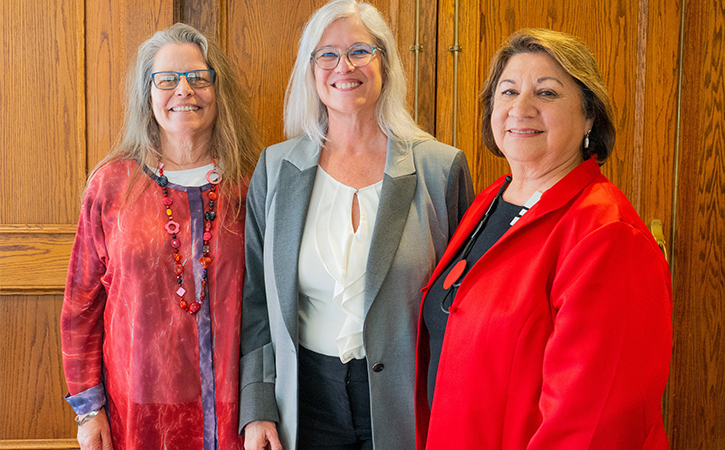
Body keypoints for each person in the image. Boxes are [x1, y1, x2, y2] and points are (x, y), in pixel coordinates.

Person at [415, 29, 672, 450]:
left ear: (590, 115)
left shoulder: (608, 235)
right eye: (508, 91)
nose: (521, 108)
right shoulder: (491, 201)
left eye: (547, 93)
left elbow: (592, 428)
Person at [239, 1, 473, 449]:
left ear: (385, 60)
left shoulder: (440, 169)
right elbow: (256, 304)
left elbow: (460, 308)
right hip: (303, 403)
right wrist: (258, 407)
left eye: (359, 51)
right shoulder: (275, 168)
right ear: (311, 69)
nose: (343, 66)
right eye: (327, 54)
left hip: (405, 405)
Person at [61, 23, 259, 450]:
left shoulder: (252, 185)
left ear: (217, 89)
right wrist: (88, 410)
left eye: (198, 77)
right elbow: (81, 305)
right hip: (136, 412)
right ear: (147, 94)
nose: (183, 90)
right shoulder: (111, 185)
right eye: (167, 79)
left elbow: (269, 307)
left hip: (233, 411)